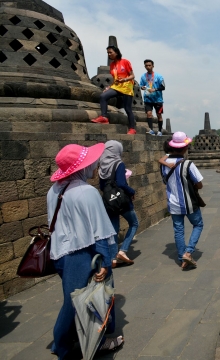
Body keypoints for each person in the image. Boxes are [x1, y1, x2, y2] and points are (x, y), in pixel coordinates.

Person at [48, 144, 123, 359]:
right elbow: (99, 231)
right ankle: (65, 344)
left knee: (78, 299)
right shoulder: (86, 192)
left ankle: (75, 339)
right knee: (80, 301)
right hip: (82, 255)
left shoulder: (54, 190)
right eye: (90, 163)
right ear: (80, 168)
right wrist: (106, 263)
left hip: (61, 252)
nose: (95, 165)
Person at [161, 132, 204, 270]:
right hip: (188, 202)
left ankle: (181, 258)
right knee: (198, 224)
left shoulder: (164, 164)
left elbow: (164, 181)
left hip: (173, 202)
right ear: (185, 148)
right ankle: (188, 251)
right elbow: (199, 184)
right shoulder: (188, 164)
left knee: (178, 230)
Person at [99, 140, 139, 268]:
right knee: (134, 223)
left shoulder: (102, 166)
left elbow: (102, 186)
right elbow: (121, 183)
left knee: (113, 230)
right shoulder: (118, 164)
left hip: (109, 201)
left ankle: (113, 259)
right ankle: (123, 250)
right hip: (121, 200)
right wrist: (132, 191)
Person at [91, 45, 137, 135]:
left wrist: (125, 79)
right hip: (117, 86)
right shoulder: (112, 65)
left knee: (128, 109)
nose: (109, 54)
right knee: (103, 96)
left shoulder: (125, 62)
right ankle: (104, 117)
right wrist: (109, 87)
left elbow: (132, 76)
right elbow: (115, 78)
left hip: (126, 86)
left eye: (110, 52)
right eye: (108, 53)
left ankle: (132, 128)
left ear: (116, 52)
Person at [139, 59, 166, 136]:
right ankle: (151, 130)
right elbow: (141, 86)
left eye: (149, 65)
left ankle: (160, 130)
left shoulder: (159, 76)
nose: (148, 67)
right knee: (149, 114)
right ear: (144, 66)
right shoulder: (143, 76)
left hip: (158, 99)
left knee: (159, 115)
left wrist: (155, 89)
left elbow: (163, 87)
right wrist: (143, 88)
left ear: (153, 66)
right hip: (148, 99)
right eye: (146, 65)